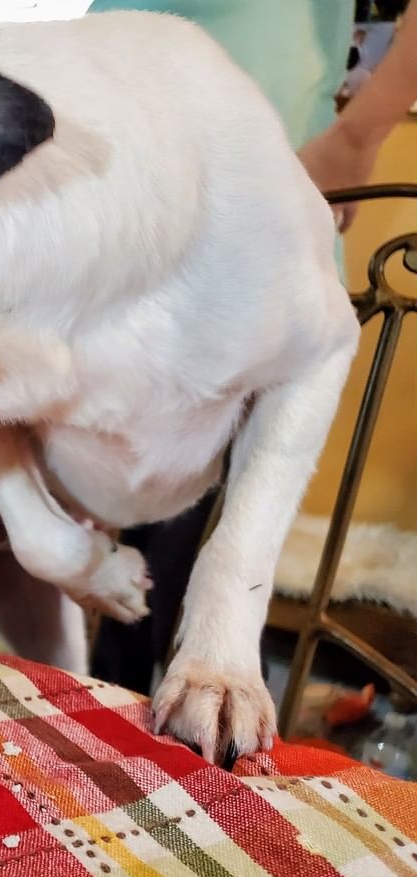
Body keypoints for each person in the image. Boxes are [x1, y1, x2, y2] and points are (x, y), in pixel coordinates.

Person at [86, 0, 417, 692]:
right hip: (102, 201)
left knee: (187, 592)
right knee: (102, 587)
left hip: (244, 222)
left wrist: (360, 132)